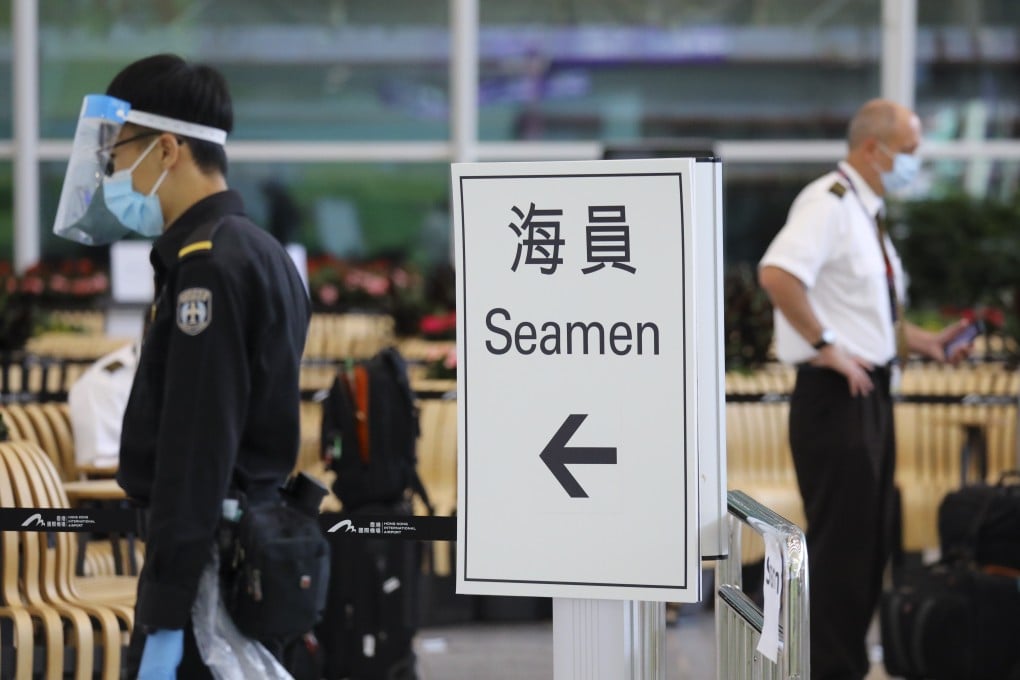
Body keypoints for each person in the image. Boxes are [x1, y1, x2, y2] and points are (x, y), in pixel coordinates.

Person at [52, 54, 311, 678]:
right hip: (242, 552)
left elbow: (198, 447)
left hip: (208, 568)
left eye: (118, 155)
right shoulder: (258, 250)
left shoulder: (208, 268)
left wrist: (166, 609)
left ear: (166, 150)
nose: (112, 172)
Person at [758, 98, 971, 680]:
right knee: (843, 553)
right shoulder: (826, 203)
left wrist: (926, 342)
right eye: (910, 151)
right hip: (834, 396)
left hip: (868, 392)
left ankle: (843, 665)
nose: (916, 161)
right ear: (873, 149)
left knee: (869, 547)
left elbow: (866, 314)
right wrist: (826, 344)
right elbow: (777, 274)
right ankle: (829, 670)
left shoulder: (863, 211)